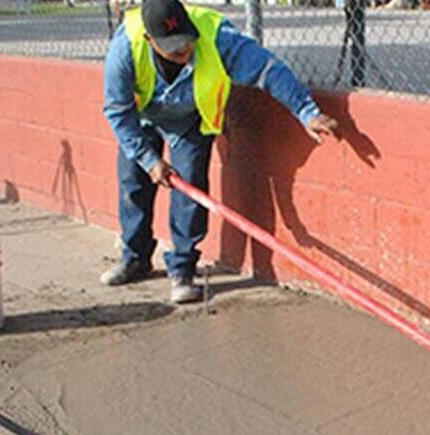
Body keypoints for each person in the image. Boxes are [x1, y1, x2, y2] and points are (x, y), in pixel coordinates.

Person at [101, 0, 337, 303]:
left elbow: (268, 70)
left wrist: (307, 113)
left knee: (190, 192)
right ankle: (135, 258)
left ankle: (183, 270)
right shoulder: (124, 48)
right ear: (150, 40)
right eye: (173, 49)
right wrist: (149, 161)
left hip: (191, 120)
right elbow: (118, 112)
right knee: (133, 184)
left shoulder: (217, 37)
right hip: (143, 117)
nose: (184, 52)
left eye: (187, 42)